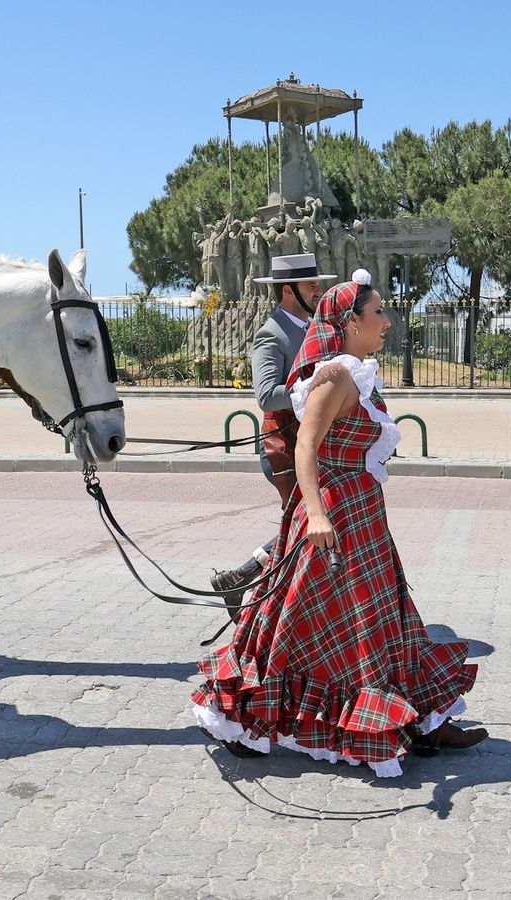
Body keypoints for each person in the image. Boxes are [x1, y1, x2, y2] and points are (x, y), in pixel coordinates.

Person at [193, 274, 484, 777]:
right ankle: (240, 714)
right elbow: (307, 447)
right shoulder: (333, 376)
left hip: (362, 512)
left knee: (384, 617)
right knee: (299, 622)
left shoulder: (356, 373)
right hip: (332, 511)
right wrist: (318, 514)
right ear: (350, 322)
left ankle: (424, 722)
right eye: (378, 313)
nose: (387, 322)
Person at [210, 254, 336, 603]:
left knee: (306, 522)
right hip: (284, 448)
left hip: (308, 445)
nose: (317, 291)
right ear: (288, 291)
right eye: (311, 285)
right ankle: (262, 589)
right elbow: (266, 396)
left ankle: (243, 579)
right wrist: (317, 386)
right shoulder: (271, 334)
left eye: (317, 284)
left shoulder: (313, 328)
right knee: (309, 521)